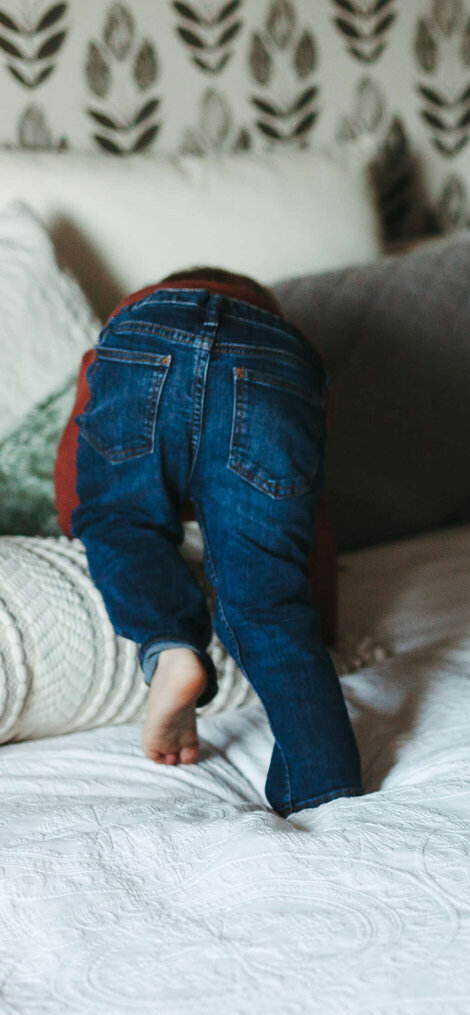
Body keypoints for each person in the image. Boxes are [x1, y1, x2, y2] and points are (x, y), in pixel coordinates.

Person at [54, 267, 361, 816]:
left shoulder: (137, 315)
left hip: (144, 345)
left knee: (119, 519)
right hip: (277, 368)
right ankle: (325, 793)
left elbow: (75, 474)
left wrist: (85, 524)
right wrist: (322, 619)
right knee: (267, 604)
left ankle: (171, 646)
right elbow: (310, 512)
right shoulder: (284, 336)